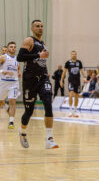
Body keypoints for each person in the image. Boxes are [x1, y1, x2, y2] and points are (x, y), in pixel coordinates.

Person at [17, 20, 58, 149]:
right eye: (37, 26)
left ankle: (49, 139)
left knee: (47, 102)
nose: (40, 28)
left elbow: (42, 61)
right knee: (28, 112)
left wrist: (45, 72)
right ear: (32, 28)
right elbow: (20, 57)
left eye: (42, 26)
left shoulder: (43, 43)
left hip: (43, 78)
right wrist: (38, 55)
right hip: (29, 80)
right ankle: (22, 131)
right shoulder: (29, 40)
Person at [0, 41, 21, 129]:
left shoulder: (17, 58)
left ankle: (11, 122)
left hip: (14, 83)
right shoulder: (3, 57)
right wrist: (2, 71)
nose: (13, 48)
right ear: (8, 48)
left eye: (14, 47)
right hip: (3, 82)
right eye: (11, 47)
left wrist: (19, 72)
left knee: (12, 101)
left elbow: (18, 68)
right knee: (1, 100)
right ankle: (5, 107)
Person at [60, 51, 85, 118]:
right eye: (73, 54)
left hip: (78, 81)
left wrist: (85, 77)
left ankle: (75, 111)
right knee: (70, 95)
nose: (74, 55)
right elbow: (64, 72)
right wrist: (61, 81)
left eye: (75, 54)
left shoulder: (79, 62)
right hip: (71, 81)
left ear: (76, 55)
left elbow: (82, 71)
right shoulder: (68, 63)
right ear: (71, 55)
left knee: (76, 96)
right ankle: (70, 111)